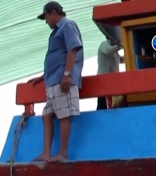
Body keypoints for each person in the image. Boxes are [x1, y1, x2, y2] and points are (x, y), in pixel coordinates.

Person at [29, 1, 84, 162]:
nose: (46, 21)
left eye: (46, 17)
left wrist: (67, 74)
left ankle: (63, 153)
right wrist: (42, 76)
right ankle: (46, 153)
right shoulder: (56, 32)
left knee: (64, 116)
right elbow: (56, 57)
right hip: (52, 81)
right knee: (46, 116)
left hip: (62, 81)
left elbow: (72, 49)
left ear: (53, 13)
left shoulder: (66, 25)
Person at [96, 38, 122, 110]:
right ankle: (101, 115)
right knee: (102, 102)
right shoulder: (104, 44)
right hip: (103, 78)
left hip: (112, 80)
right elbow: (108, 51)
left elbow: (121, 60)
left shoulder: (115, 51)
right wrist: (120, 46)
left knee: (113, 100)